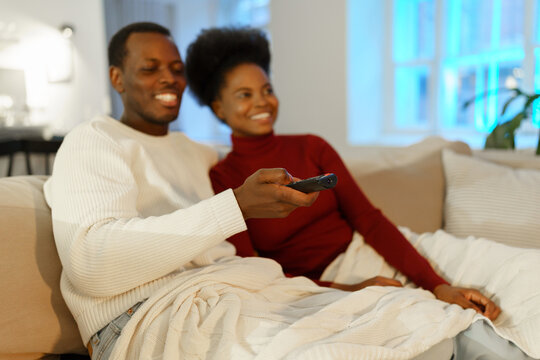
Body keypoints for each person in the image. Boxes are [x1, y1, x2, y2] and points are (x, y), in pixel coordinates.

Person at [184, 27, 536, 359]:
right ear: (218, 107)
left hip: (380, 249)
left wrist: (437, 283)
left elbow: (368, 219)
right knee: (450, 327)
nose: (262, 102)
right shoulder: (224, 179)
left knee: (522, 270)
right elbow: (255, 270)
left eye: (267, 90)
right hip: (325, 284)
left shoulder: (312, 147)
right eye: (245, 95)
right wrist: (348, 289)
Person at [44, 22, 318, 359]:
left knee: (392, 315)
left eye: (177, 69)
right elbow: (92, 264)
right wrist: (235, 205)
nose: (169, 78)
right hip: (148, 313)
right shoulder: (93, 139)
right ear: (117, 78)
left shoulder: (195, 151)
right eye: (149, 68)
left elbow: (247, 159)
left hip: (237, 290)